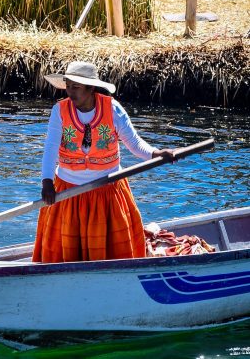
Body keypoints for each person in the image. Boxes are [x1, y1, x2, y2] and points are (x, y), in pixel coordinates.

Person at [32, 61, 175, 264]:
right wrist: (47, 182)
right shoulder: (60, 111)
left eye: (76, 87)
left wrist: (157, 153)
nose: (70, 92)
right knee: (67, 253)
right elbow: (50, 148)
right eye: (68, 86)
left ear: (91, 88)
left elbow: (134, 144)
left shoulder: (112, 108)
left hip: (106, 192)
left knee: (111, 251)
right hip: (68, 193)